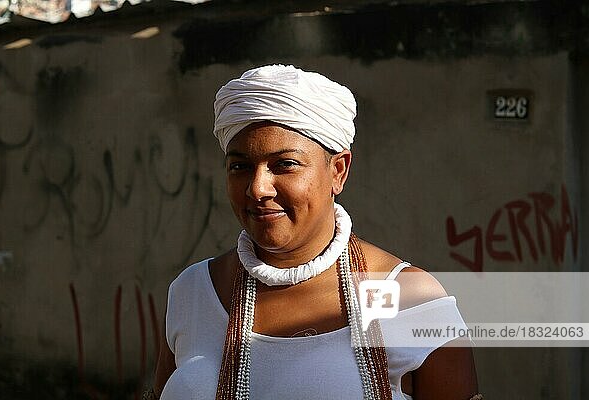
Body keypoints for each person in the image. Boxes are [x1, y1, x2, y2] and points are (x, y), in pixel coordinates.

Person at [148, 65, 480, 400]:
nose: (258, 188)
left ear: (338, 171)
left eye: (285, 165)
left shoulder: (413, 300)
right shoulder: (192, 292)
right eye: (240, 166)